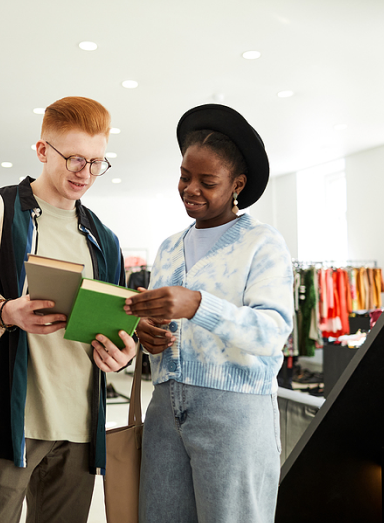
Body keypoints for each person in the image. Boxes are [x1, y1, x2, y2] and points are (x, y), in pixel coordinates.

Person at [0, 96, 137, 523]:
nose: (86, 174)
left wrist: (123, 353)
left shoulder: (106, 239)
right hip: (5, 423)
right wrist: (7, 312)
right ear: (43, 150)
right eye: (75, 159)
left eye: (98, 162)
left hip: (80, 432)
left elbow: (119, 326)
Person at [125, 104, 294, 523]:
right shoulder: (167, 247)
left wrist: (198, 305)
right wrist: (148, 334)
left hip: (234, 412)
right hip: (164, 407)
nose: (190, 189)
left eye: (208, 181)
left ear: (237, 184)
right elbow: (163, 329)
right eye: (184, 176)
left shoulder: (262, 243)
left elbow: (273, 333)